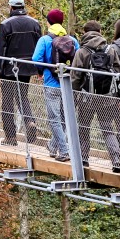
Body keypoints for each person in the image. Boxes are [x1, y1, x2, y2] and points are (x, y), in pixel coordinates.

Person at [70, 21, 120, 173]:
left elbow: (75, 77)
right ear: (100, 31)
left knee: (84, 127)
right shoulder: (110, 50)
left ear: (84, 32)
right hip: (108, 98)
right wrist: (119, 97)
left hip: (87, 98)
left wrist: (74, 97)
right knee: (107, 129)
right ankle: (116, 159)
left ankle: (84, 158)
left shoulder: (82, 52)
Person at [0, 0, 42, 146]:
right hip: (28, 66)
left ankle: (11, 137)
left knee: (7, 101)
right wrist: (39, 69)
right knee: (22, 96)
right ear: (23, 7)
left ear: (11, 7)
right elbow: (39, 47)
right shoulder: (35, 23)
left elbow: (0, 50)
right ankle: (29, 122)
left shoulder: (6, 24)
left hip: (9, 68)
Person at [31, 9, 79, 161]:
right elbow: (78, 60)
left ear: (48, 22)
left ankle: (64, 151)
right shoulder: (72, 40)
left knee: (54, 119)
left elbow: (36, 59)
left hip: (51, 83)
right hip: (68, 84)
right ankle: (52, 146)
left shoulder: (45, 40)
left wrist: (45, 69)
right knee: (65, 118)